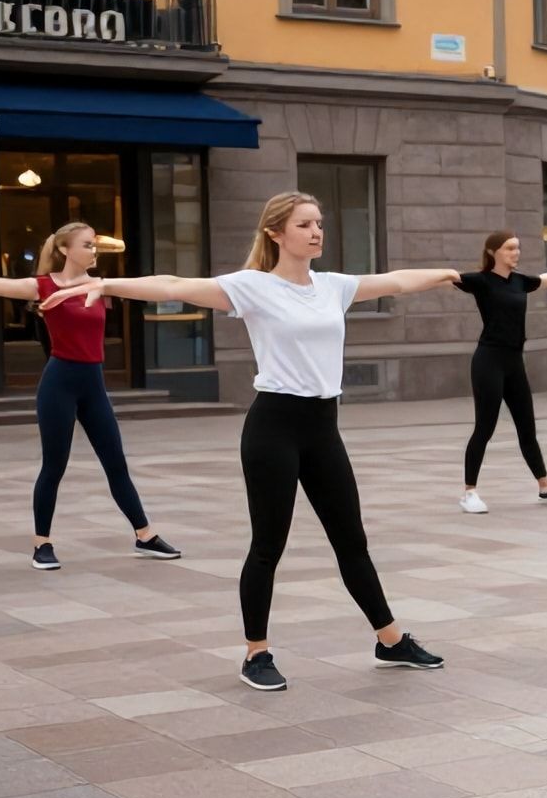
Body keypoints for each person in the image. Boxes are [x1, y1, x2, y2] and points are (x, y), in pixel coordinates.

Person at [43, 191, 455, 692]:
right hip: (273, 428)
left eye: (319, 222)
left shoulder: (333, 287)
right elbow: (177, 284)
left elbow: (396, 280)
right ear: (276, 233)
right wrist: (104, 282)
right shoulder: (252, 287)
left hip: (324, 429)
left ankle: (389, 640)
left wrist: (449, 273)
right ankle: (256, 654)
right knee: (268, 546)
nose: (317, 231)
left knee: (353, 541)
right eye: (305, 224)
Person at [0, 223, 180, 571]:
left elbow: (153, 285)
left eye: (94, 245)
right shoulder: (40, 286)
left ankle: (144, 535)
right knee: (54, 467)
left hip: (94, 386)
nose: (93, 251)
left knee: (116, 464)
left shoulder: (100, 285)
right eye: (87, 245)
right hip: (59, 384)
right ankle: (42, 544)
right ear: (65, 249)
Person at [452, 230, 547, 514]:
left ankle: (546, 487)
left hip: (514, 362)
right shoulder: (481, 281)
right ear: (494, 251)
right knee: (485, 427)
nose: (515, 253)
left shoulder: (521, 282)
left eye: (517, 248)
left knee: (527, 429)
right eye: (509, 249)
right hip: (488, 361)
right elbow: (446, 276)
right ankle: (469, 493)